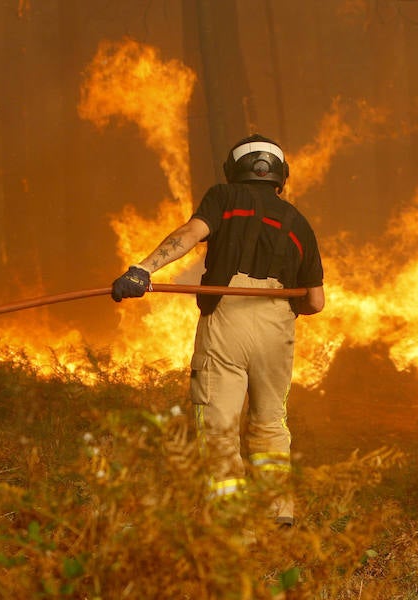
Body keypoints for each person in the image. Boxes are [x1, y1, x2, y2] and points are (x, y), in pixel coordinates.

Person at [111, 133, 324, 527]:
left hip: (228, 317)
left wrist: (143, 270)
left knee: (219, 421)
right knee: (270, 420)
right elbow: (315, 302)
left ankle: (231, 522)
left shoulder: (224, 197)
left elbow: (188, 235)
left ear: (235, 170)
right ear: (280, 176)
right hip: (277, 326)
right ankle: (278, 513)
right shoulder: (299, 223)